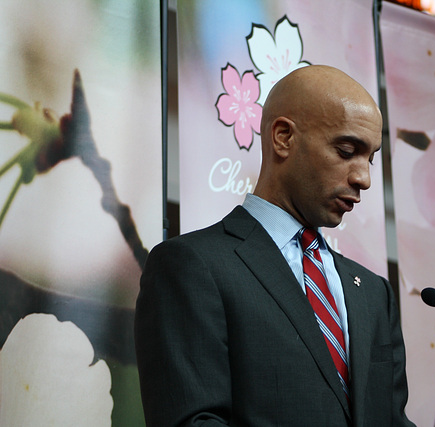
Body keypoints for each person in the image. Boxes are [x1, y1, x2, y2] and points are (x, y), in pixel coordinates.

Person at [135, 65, 415, 427]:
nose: (363, 178)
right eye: (347, 151)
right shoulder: (192, 267)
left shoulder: (374, 294)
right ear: (283, 137)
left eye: (370, 158)